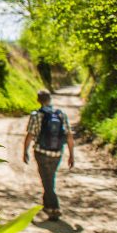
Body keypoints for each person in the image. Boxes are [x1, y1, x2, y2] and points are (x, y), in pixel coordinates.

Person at [23, 89, 75, 220]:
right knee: (49, 178)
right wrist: (71, 154)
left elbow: (30, 134)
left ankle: (55, 208)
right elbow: (69, 135)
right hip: (57, 153)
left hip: (41, 152)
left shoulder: (36, 115)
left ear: (38, 100)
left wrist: (25, 150)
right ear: (50, 99)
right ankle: (47, 205)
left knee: (47, 180)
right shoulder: (61, 114)